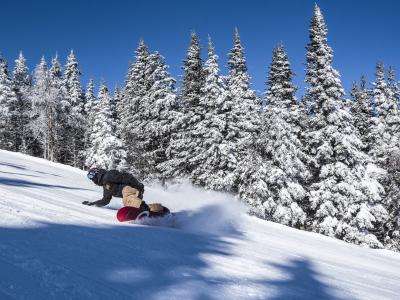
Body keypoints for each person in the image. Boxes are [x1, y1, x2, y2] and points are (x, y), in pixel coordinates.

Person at [82, 168, 169, 215]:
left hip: (130, 188)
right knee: (130, 203)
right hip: (131, 193)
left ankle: (142, 208)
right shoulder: (106, 186)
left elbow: (127, 177)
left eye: (92, 178)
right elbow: (105, 200)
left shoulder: (108, 175)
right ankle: (159, 209)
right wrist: (93, 204)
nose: (93, 181)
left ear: (96, 175)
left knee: (127, 200)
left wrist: (138, 185)